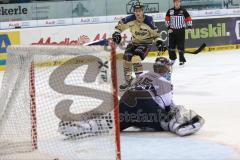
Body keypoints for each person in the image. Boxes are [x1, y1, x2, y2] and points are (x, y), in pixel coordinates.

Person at [58, 57, 204, 137]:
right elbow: (166, 105)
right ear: (166, 70)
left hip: (127, 104)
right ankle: (180, 125)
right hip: (148, 108)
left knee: (111, 120)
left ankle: (81, 126)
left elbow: (129, 93)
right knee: (174, 109)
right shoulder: (166, 82)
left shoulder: (139, 77)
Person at [112, 2, 165, 91]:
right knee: (126, 59)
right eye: (136, 11)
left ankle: (140, 82)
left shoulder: (148, 21)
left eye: (139, 11)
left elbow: (156, 35)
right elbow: (119, 26)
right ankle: (128, 81)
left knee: (135, 58)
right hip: (134, 43)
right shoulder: (130, 19)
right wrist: (116, 33)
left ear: (143, 11)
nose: (138, 13)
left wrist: (159, 41)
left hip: (145, 44)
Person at [165, 0, 192, 65]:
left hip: (181, 31)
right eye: (175, 2)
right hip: (172, 31)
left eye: (178, 2)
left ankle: (182, 60)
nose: (177, 3)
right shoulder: (170, 11)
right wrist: (168, 28)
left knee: (181, 46)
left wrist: (189, 27)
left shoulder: (183, 10)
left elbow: (188, 18)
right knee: (171, 46)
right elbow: (167, 20)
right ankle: (172, 59)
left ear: (180, 3)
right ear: (173, 3)